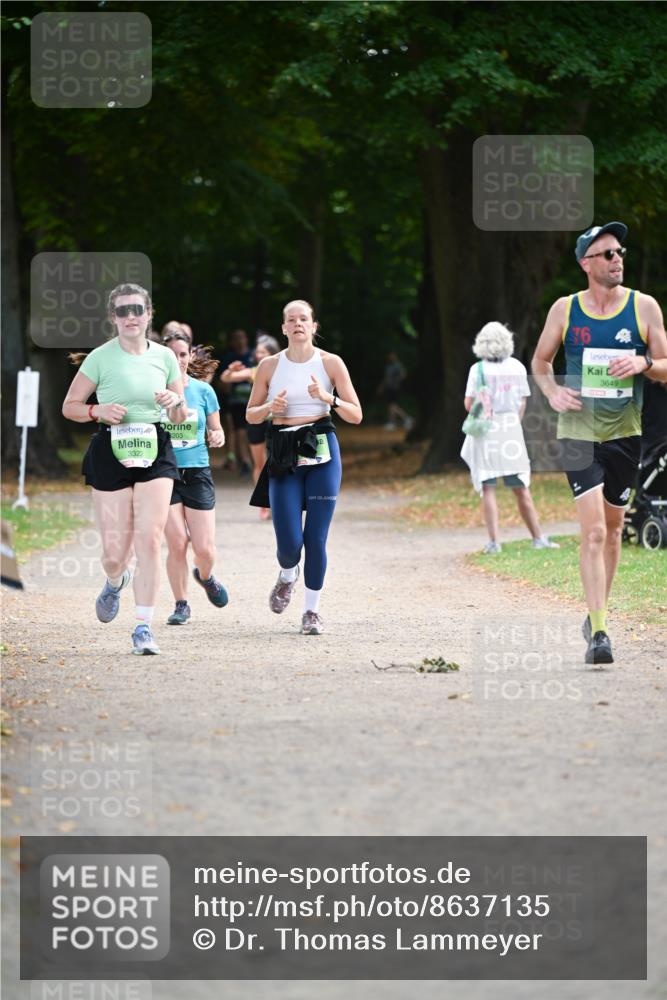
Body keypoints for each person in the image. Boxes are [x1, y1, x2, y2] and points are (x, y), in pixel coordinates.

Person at [532, 221, 667, 664]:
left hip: (626, 434)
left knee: (612, 532)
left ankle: (597, 616)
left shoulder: (644, 307)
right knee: (591, 531)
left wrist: (643, 362)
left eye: (620, 252)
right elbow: (540, 360)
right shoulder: (565, 309)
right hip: (577, 432)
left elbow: (665, 365)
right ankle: (601, 632)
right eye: (607, 254)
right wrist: (552, 392)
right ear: (585, 263)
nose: (617, 260)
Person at [62, 283, 186, 655]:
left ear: (149, 314)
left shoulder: (164, 357)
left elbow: (180, 415)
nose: (130, 316)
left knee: (150, 538)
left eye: (137, 309)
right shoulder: (100, 357)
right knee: (115, 553)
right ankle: (116, 580)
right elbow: (69, 405)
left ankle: (143, 626)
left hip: (156, 446)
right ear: (112, 318)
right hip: (110, 449)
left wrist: (174, 400)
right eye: (122, 311)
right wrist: (96, 410)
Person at [246, 300, 362, 634]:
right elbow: (250, 415)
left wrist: (329, 399)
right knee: (289, 543)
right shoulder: (269, 366)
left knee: (316, 537)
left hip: (322, 448)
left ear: (314, 326)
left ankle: (312, 612)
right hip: (284, 450)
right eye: (291, 320)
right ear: (283, 328)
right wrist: (271, 406)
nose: (298, 324)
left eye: (304, 319)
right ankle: (287, 574)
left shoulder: (330, 363)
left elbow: (356, 414)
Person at [461, 322, 560, 555]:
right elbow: (523, 401)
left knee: (488, 487)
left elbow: (468, 403)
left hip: (486, 430)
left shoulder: (478, 370)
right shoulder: (516, 367)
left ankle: (494, 542)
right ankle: (537, 537)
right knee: (520, 487)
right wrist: (513, 422)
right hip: (511, 430)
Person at [161, 332, 228, 625]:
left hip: (197, 471)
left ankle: (206, 576)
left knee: (204, 549)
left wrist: (217, 436)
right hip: (163, 473)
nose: (178, 360)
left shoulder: (203, 391)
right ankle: (181, 604)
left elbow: (218, 430)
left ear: (190, 357)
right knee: (177, 543)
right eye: (171, 355)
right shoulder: (153, 391)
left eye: (183, 354)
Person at [221, 333, 280, 520]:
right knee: (260, 464)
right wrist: (231, 370)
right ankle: (264, 502)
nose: (258, 356)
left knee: (279, 463)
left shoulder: (284, 369)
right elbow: (226, 378)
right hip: (256, 420)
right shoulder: (255, 371)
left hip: (278, 421)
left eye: (263, 352)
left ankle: (279, 503)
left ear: (273, 353)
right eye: (257, 353)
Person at [218, 328, 253, 474]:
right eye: (236, 338)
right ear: (232, 342)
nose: (239, 341)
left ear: (246, 339)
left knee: (249, 431)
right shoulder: (229, 358)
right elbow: (223, 383)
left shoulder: (254, 355)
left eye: (242, 337)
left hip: (255, 400)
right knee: (238, 430)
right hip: (236, 401)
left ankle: (250, 460)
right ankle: (243, 460)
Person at [378, 351, 413, 430]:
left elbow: (403, 374)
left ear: (395, 356)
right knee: (392, 406)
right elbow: (386, 379)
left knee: (392, 405)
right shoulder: (388, 366)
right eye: (390, 356)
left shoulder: (398, 365)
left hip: (395, 388)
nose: (391, 357)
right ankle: (404, 419)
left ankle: (395, 422)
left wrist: (396, 381)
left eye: (392, 356)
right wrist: (381, 387)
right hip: (389, 388)